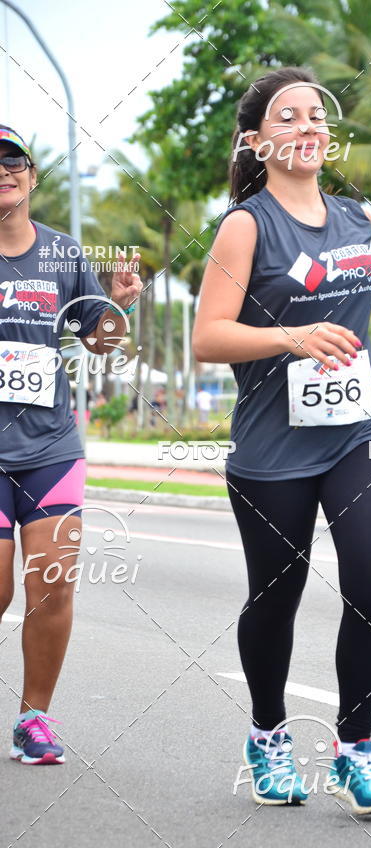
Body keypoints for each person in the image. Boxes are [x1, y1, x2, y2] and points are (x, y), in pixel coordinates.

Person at [193, 68, 371, 814]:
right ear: (257, 141)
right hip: (272, 446)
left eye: (317, 114)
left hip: (361, 433)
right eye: (289, 116)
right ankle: (268, 736)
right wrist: (291, 337)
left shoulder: (360, 218)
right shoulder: (245, 225)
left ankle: (357, 751)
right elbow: (207, 337)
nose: (308, 126)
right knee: (275, 599)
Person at [0, 125, 142, 764]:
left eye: (14, 163)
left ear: (31, 178)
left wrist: (117, 307)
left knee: (52, 585)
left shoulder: (61, 254)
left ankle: (35, 720)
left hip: (51, 446)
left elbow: (102, 342)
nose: (4, 172)